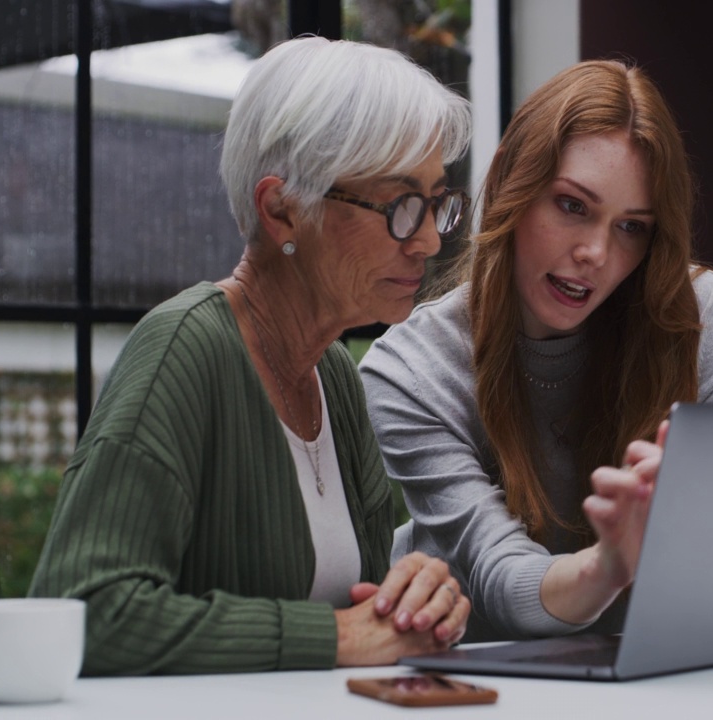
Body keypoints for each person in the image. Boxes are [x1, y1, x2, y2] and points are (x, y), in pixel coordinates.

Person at [360, 59, 713, 648]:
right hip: (474, 682)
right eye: (572, 205)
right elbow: (499, 578)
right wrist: (611, 564)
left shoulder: (695, 315)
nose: (596, 253)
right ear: (506, 182)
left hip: (640, 683)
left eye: (632, 227)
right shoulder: (411, 369)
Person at [29, 37, 475, 675]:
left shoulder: (335, 377)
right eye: (401, 206)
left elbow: (367, 612)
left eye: (436, 203)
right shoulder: (184, 349)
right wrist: (339, 638)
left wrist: (416, 602)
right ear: (282, 210)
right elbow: (87, 611)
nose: (429, 239)